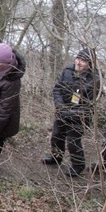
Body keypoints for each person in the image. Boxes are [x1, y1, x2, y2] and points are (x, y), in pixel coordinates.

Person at [42, 48, 101, 177]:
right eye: (78, 59)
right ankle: (56, 157)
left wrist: (69, 113)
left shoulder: (94, 81)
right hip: (62, 110)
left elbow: (89, 106)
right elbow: (57, 89)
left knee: (73, 141)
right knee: (57, 136)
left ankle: (78, 166)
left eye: (83, 61)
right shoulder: (67, 71)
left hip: (79, 116)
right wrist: (60, 106)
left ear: (90, 64)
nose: (79, 63)